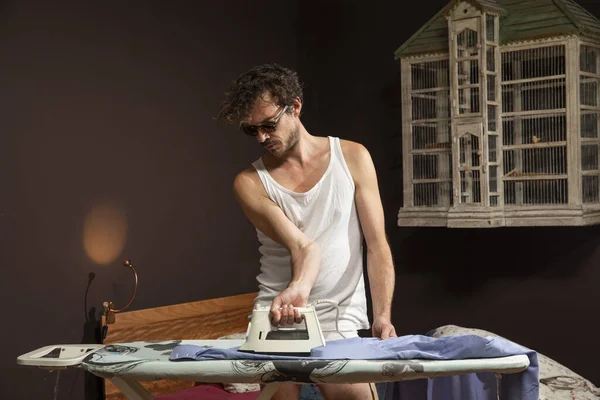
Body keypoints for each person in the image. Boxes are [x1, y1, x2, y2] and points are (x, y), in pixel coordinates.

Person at [218, 63, 397, 400]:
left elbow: (377, 246)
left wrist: (382, 316)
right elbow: (302, 247)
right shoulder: (250, 183)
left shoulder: (353, 157)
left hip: (341, 321)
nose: (261, 138)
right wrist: (297, 290)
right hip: (279, 319)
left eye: (269, 125)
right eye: (250, 130)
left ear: (295, 107)